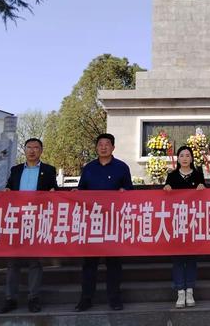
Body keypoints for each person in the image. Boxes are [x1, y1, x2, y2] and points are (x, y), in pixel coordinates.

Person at [0, 138, 58, 314]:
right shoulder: (15, 170)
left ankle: (33, 298)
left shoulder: (48, 170)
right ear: (24, 150)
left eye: (36, 148)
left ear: (41, 151)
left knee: (35, 262)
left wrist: (53, 194)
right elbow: (9, 188)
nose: (32, 151)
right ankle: (10, 299)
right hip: (16, 220)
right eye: (29, 147)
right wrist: (7, 192)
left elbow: (54, 191)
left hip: (38, 220)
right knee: (13, 262)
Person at [74, 133, 133, 312]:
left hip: (114, 221)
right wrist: (75, 193)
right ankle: (86, 298)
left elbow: (130, 190)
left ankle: (114, 298)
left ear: (113, 147)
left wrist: (124, 191)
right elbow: (82, 189)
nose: (103, 147)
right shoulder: (89, 168)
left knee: (113, 263)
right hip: (92, 222)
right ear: (96, 147)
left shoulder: (122, 167)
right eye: (100, 144)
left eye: (107, 144)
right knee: (89, 263)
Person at [164, 145, 205, 308]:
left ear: (192, 158)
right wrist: (166, 188)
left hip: (194, 222)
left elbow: (205, 198)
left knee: (191, 258)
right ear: (178, 158)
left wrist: (202, 188)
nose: (185, 158)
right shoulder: (172, 176)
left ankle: (190, 290)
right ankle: (180, 291)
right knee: (178, 259)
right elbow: (166, 197)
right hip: (176, 222)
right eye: (182, 155)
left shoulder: (198, 175)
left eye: (188, 155)